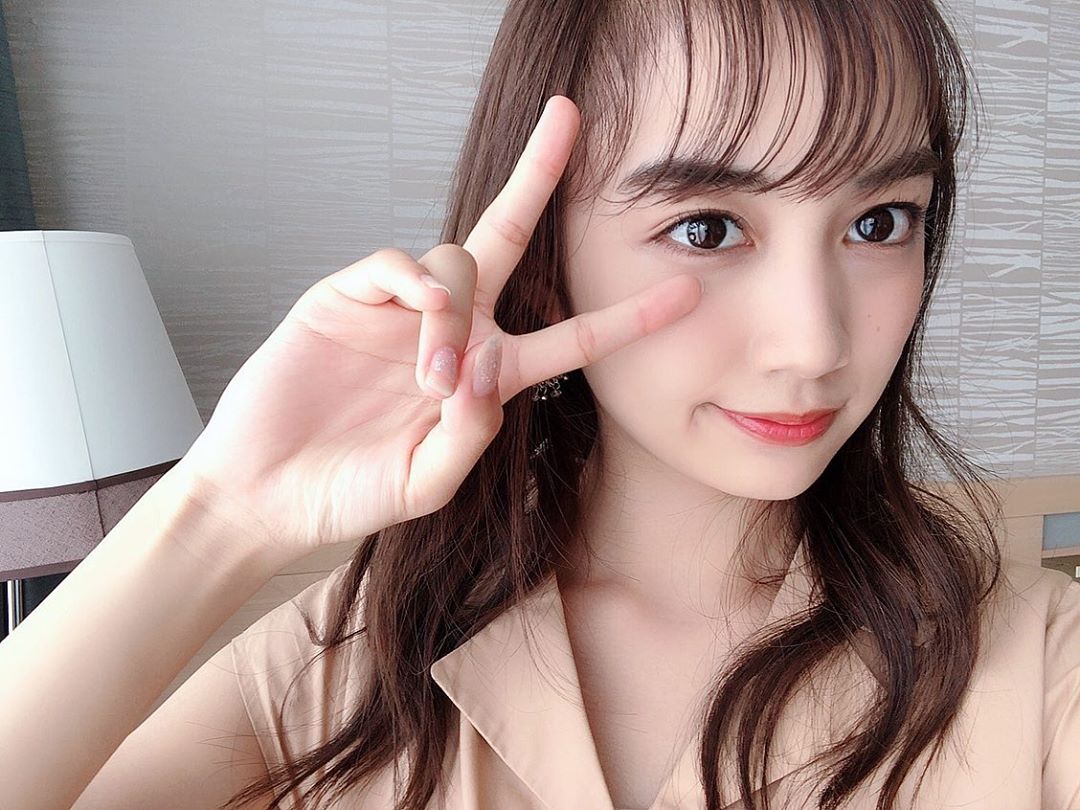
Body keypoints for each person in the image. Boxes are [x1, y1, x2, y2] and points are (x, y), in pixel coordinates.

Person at [1, 0, 1077, 808]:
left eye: (880, 222)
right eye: (707, 228)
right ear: (549, 259)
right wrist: (222, 511)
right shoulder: (341, 676)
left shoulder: (1038, 663)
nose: (816, 343)